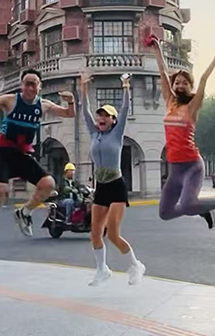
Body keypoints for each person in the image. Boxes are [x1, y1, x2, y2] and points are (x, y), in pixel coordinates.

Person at [0, 69, 75, 251]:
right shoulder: (10, 100)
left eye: (34, 84)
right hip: (3, 152)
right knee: (0, 188)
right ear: (21, 86)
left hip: (22, 153)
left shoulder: (44, 105)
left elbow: (69, 114)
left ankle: (24, 212)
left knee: (48, 184)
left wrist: (71, 101)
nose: (30, 88)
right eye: (27, 84)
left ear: (39, 86)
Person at [145, 35, 215, 228]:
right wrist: (157, 48)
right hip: (175, 169)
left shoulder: (193, 106)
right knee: (165, 213)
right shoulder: (169, 102)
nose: (180, 85)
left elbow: (203, 79)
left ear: (190, 87)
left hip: (192, 166)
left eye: (185, 83)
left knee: (187, 205)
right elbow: (163, 72)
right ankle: (203, 208)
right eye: (177, 82)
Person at [80, 72, 145, 286]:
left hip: (116, 186)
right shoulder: (94, 133)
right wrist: (83, 86)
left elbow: (125, 109)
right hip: (101, 187)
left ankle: (135, 266)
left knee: (113, 234)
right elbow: (84, 110)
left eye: (106, 116)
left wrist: (125, 86)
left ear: (113, 120)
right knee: (95, 233)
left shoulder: (116, 134)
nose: (101, 118)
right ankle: (102, 270)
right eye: (99, 115)